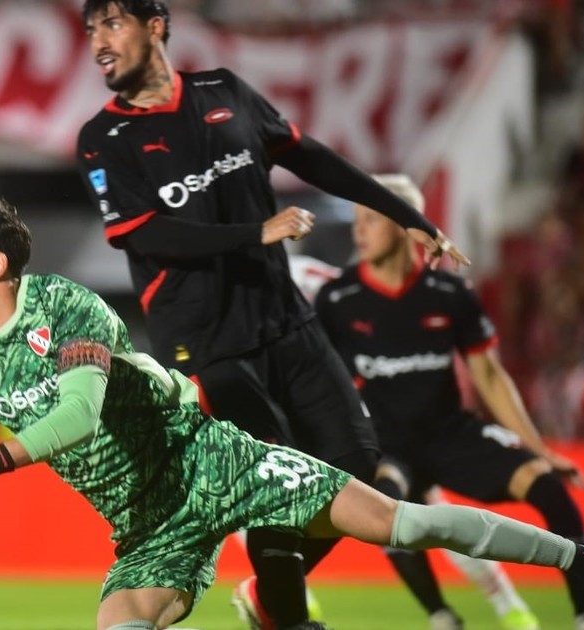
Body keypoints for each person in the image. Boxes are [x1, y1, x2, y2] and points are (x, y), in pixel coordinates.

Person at [0, 198, 584, 630]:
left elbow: (79, 416)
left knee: (405, 525)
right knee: (118, 623)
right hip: (144, 521)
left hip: (212, 459)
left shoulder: (65, 305)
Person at [73, 1, 471, 627]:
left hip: (285, 320)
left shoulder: (223, 91)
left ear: (156, 27)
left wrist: (405, 215)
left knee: (359, 463)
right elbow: (147, 235)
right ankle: (288, 618)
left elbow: (308, 155)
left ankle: (268, 595)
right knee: (274, 476)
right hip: (206, 344)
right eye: (91, 29)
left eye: (112, 23)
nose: (98, 40)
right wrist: (255, 232)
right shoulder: (104, 138)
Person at [314, 175, 584, 630]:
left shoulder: (449, 293)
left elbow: (489, 375)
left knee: (548, 485)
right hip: (389, 446)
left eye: (371, 218)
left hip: (452, 435)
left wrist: (539, 448)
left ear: (405, 225)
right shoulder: (337, 298)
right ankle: (442, 616)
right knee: (383, 503)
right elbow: (320, 379)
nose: (358, 230)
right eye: (357, 219)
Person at [291, 253, 542, 630]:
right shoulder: (276, 279)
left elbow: (363, 314)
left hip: (369, 420)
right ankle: (476, 609)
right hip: (333, 419)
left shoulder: (302, 279)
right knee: (395, 515)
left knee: (405, 513)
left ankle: (501, 605)